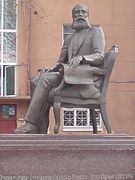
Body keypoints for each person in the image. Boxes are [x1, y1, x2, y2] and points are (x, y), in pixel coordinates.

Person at [14, 3, 105, 134]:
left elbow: (99, 56)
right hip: (68, 76)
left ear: (87, 15)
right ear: (73, 17)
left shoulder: (96, 32)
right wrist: (50, 70)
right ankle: (40, 129)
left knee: (44, 80)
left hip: (86, 79)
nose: (80, 15)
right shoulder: (69, 38)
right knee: (36, 80)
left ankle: (30, 124)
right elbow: (60, 61)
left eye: (83, 12)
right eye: (77, 13)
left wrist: (83, 58)